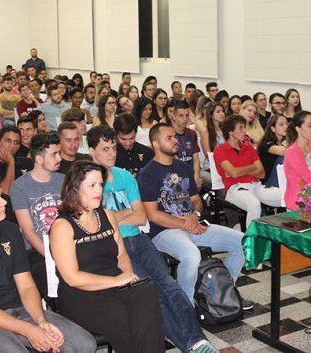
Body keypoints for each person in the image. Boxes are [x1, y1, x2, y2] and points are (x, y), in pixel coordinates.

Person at [87, 126, 218, 353]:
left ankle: (198, 340)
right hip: (113, 245)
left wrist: (114, 216)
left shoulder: (125, 176)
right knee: (151, 292)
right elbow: (96, 223)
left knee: (169, 285)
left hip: (139, 239)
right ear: (91, 151)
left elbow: (140, 217)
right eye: (105, 149)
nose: (111, 153)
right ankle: (192, 345)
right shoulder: (87, 181)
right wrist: (123, 213)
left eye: (113, 148)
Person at [0, 171, 95, 352]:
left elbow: (27, 286)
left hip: (19, 310)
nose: (4, 202)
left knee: (85, 344)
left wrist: (41, 321)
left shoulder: (11, 231)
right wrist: (29, 330)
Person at [50, 161, 164, 353]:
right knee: (123, 316)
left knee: (147, 292)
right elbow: (72, 278)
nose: (99, 190)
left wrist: (128, 278)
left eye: (101, 184)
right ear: (75, 188)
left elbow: (121, 256)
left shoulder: (107, 216)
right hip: (81, 294)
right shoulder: (62, 226)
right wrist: (117, 280)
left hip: (114, 286)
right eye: (92, 185)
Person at [138, 123, 250, 305]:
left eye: (175, 137)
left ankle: (221, 294)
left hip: (193, 224)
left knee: (243, 242)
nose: (175, 141)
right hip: (164, 232)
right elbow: (152, 215)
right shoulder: (147, 174)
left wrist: (195, 214)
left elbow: (196, 199)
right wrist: (186, 224)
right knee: (191, 255)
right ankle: (186, 306)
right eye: (169, 138)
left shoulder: (183, 167)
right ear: (155, 144)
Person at [11, 133, 64, 297]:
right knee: (43, 272)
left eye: (59, 153)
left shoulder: (63, 180)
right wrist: (51, 256)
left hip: (66, 244)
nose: (59, 158)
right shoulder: (19, 186)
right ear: (39, 159)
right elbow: (28, 230)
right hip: (39, 250)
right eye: (54, 154)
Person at [214, 114, 283, 230]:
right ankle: (251, 239)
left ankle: (291, 232)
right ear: (230, 131)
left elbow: (262, 173)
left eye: (245, 127)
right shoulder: (220, 149)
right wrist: (252, 168)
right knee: (254, 204)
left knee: (286, 196)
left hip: (256, 186)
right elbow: (234, 173)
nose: (245, 131)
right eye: (241, 128)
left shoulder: (248, 147)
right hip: (235, 189)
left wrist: (240, 170)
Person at [113, 113, 154, 177]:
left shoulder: (147, 153)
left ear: (136, 133)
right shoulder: (110, 155)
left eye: (132, 138)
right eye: (123, 139)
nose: (128, 143)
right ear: (116, 135)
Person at [256, 114, 288, 187]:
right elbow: (284, 152)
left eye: (286, 124)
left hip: (280, 180)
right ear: (273, 128)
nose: (286, 126)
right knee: (282, 159)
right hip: (268, 182)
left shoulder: (285, 142)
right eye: (281, 124)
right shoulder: (265, 143)